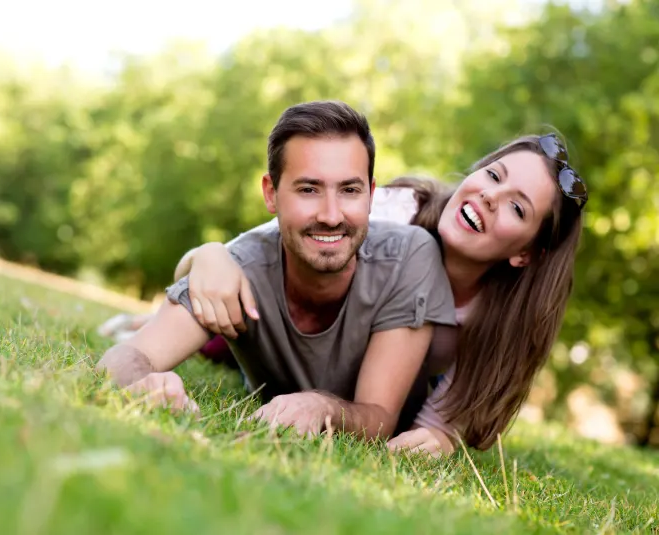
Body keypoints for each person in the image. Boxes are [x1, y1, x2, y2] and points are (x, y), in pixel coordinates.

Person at [102, 130, 588, 456]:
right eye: (493, 176)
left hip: (374, 382)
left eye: (517, 209)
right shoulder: (396, 213)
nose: (489, 196)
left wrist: (439, 436)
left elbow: (454, 404)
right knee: (225, 323)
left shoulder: (498, 316)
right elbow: (266, 248)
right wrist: (206, 254)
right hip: (307, 329)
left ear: (526, 253)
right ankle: (147, 323)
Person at [95, 100, 457, 440]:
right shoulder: (239, 266)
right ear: (271, 193)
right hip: (256, 331)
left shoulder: (410, 255)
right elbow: (125, 358)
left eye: (349, 190)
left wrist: (323, 408)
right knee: (217, 340)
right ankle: (146, 320)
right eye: (309, 189)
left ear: (371, 194)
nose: (331, 216)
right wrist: (143, 383)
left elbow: (379, 415)